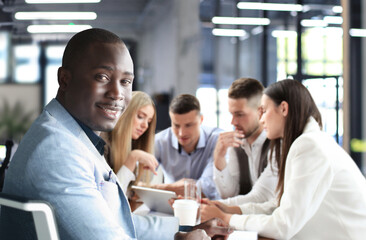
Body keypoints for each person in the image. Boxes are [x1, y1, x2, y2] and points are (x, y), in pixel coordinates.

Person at [1, 28, 231, 240]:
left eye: (126, 81)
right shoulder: (57, 150)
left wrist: (184, 230)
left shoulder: (69, 135)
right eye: (102, 77)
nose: (117, 93)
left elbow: (116, 223)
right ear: (64, 79)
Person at [201, 79, 366, 239]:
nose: (262, 119)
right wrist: (229, 209)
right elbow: (277, 205)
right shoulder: (308, 142)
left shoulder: (309, 146)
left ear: (284, 109)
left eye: (264, 111)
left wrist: (227, 218)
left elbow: (283, 225)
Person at [213, 78, 277, 206]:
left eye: (240, 114)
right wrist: (219, 157)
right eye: (232, 114)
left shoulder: (276, 144)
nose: (233, 122)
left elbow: (262, 197)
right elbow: (230, 194)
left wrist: (214, 205)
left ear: (260, 111)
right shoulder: (237, 143)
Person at [153, 94, 222, 199]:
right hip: (171, 210)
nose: (181, 133)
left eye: (188, 125)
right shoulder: (159, 141)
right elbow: (137, 186)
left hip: (209, 210)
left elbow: (208, 189)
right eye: (176, 125)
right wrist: (173, 188)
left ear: (201, 120)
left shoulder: (217, 140)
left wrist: (163, 188)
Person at [101, 91, 159, 194]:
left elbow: (128, 190)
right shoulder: (102, 143)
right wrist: (133, 158)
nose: (145, 126)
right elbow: (110, 198)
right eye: (140, 117)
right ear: (124, 113)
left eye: (149, 121)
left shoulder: (134, 143)